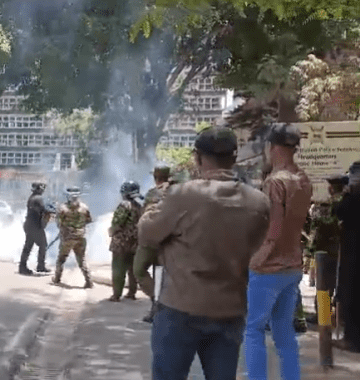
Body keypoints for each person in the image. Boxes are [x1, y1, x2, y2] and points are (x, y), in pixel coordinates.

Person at [139, 126, 271, 379]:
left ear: (197, 157)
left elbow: (147, 234)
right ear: (234, 158)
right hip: (229, 309)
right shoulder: (258, 202)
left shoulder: (184, 195)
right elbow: (255, 246)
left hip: (179, 308)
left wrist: (152, 211)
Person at [244, 124, 312, 380]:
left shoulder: (275, 182)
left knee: (253, 331)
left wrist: (255, 261)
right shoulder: (304, 180)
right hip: (293, 265)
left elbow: (273, 230)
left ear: (272, 148)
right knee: (284, 334)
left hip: (269, 269)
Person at [306, 175, 346, 323]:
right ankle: (338, 316)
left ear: (330, 189)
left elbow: (319, 227)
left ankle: (324, 318)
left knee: (324, 287)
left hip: (325, 251)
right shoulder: (347, 202)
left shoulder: (330, 205)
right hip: (342, 251)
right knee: (341, 285)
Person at [133, 166, 171, 321]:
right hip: (169, 239)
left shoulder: (152, 193)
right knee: (160, 273)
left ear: (156, 177)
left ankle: (158, 302)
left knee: (139, 270)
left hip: (150, 238)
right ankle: (157, 310)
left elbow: (144, 215)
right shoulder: (177, 192)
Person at [334, 161, 360, 352]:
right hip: (346, 254)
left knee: (349, 295)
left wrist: (344, 195)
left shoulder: (353, 197)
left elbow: (340, 211)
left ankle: (351, 339)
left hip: (349, 256)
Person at [108, 181, 142, 302]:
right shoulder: (139, 206)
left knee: (118, 268)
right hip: (135, 243)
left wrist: (111, 231)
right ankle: (132, 293)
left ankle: (116, 295)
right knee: (132, 269)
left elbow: (117, 223)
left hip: (121, 243)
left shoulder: (124, 205)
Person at [53, 187, 93, 288]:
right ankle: (89, 281)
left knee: (61, 259)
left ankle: (57, 278)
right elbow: (89, 220)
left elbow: (59, 223)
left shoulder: (62, 208)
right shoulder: (84, 207)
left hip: (67, 238)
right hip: (80, 237)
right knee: (82, 260)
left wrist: (66, 230)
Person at [19, 182, 55, 275]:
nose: (43, 191)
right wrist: (56, 209)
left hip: (29, 225)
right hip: (35, 226)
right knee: (43, 245)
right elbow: (46, 209)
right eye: (42, 189)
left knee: (28, 246)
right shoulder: (38, 198)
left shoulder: (32, 197)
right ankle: (40, 266)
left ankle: (22, 267)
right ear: (39, 189)